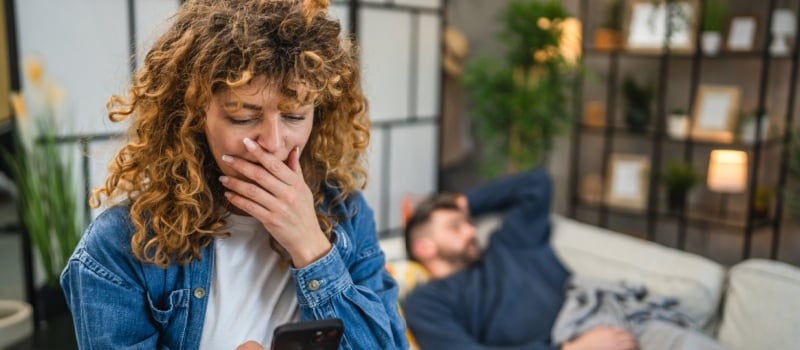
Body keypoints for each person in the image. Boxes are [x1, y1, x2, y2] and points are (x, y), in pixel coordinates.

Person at [59, 1, 407, 349]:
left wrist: (312, 248)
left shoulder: (347, 213)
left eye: (295, 116)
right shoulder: (119, 247)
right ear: (193, 116)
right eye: (243, 117)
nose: (273, 143)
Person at [402, 168, 727, 350]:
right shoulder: (426, 301)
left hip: (612, 320)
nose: (471, 230)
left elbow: (536, 183)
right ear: (425, 248)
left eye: (468, 222)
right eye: (456, 226)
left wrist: (463, 203)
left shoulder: (509, 244)